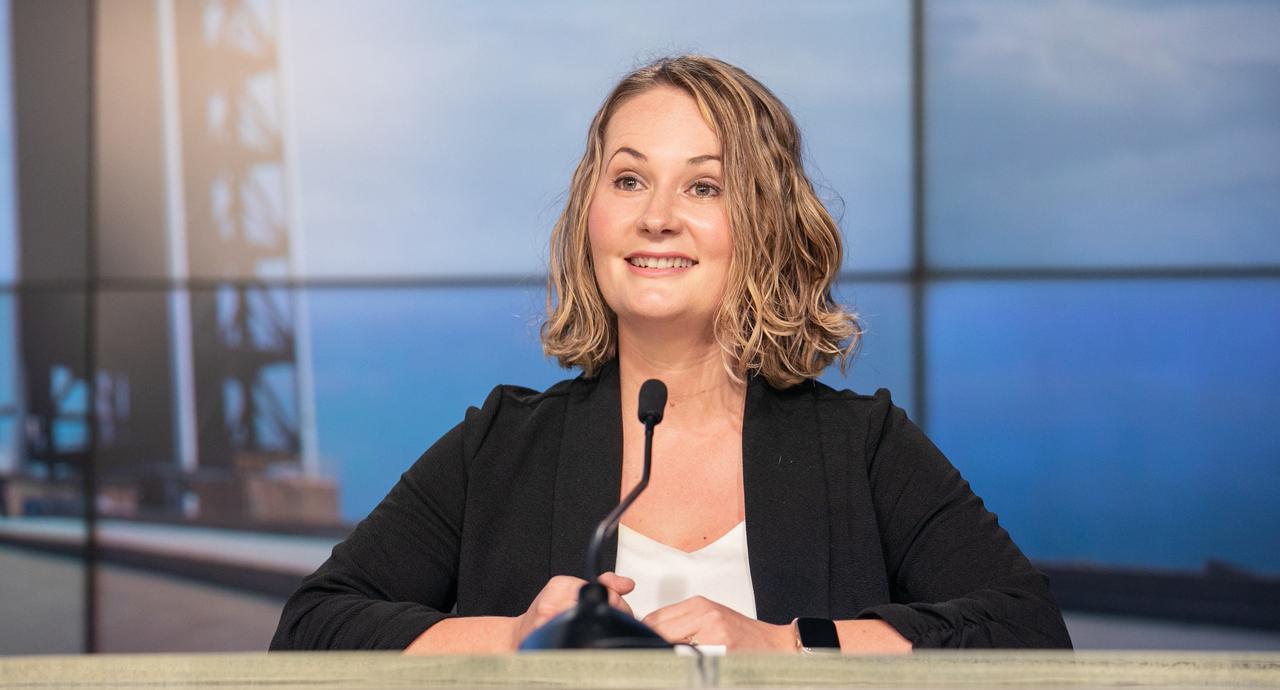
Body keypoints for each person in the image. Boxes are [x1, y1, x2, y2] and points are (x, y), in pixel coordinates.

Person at [271, 55, 1072, 653]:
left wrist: (787, 647)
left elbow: (1028, 629)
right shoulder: (500, 446)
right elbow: (313, 626)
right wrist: (513, 636)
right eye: (628, 180)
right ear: (590, 213)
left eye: (703, 187)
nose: (656, 217)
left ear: (765, 224)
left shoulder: (862, 447)